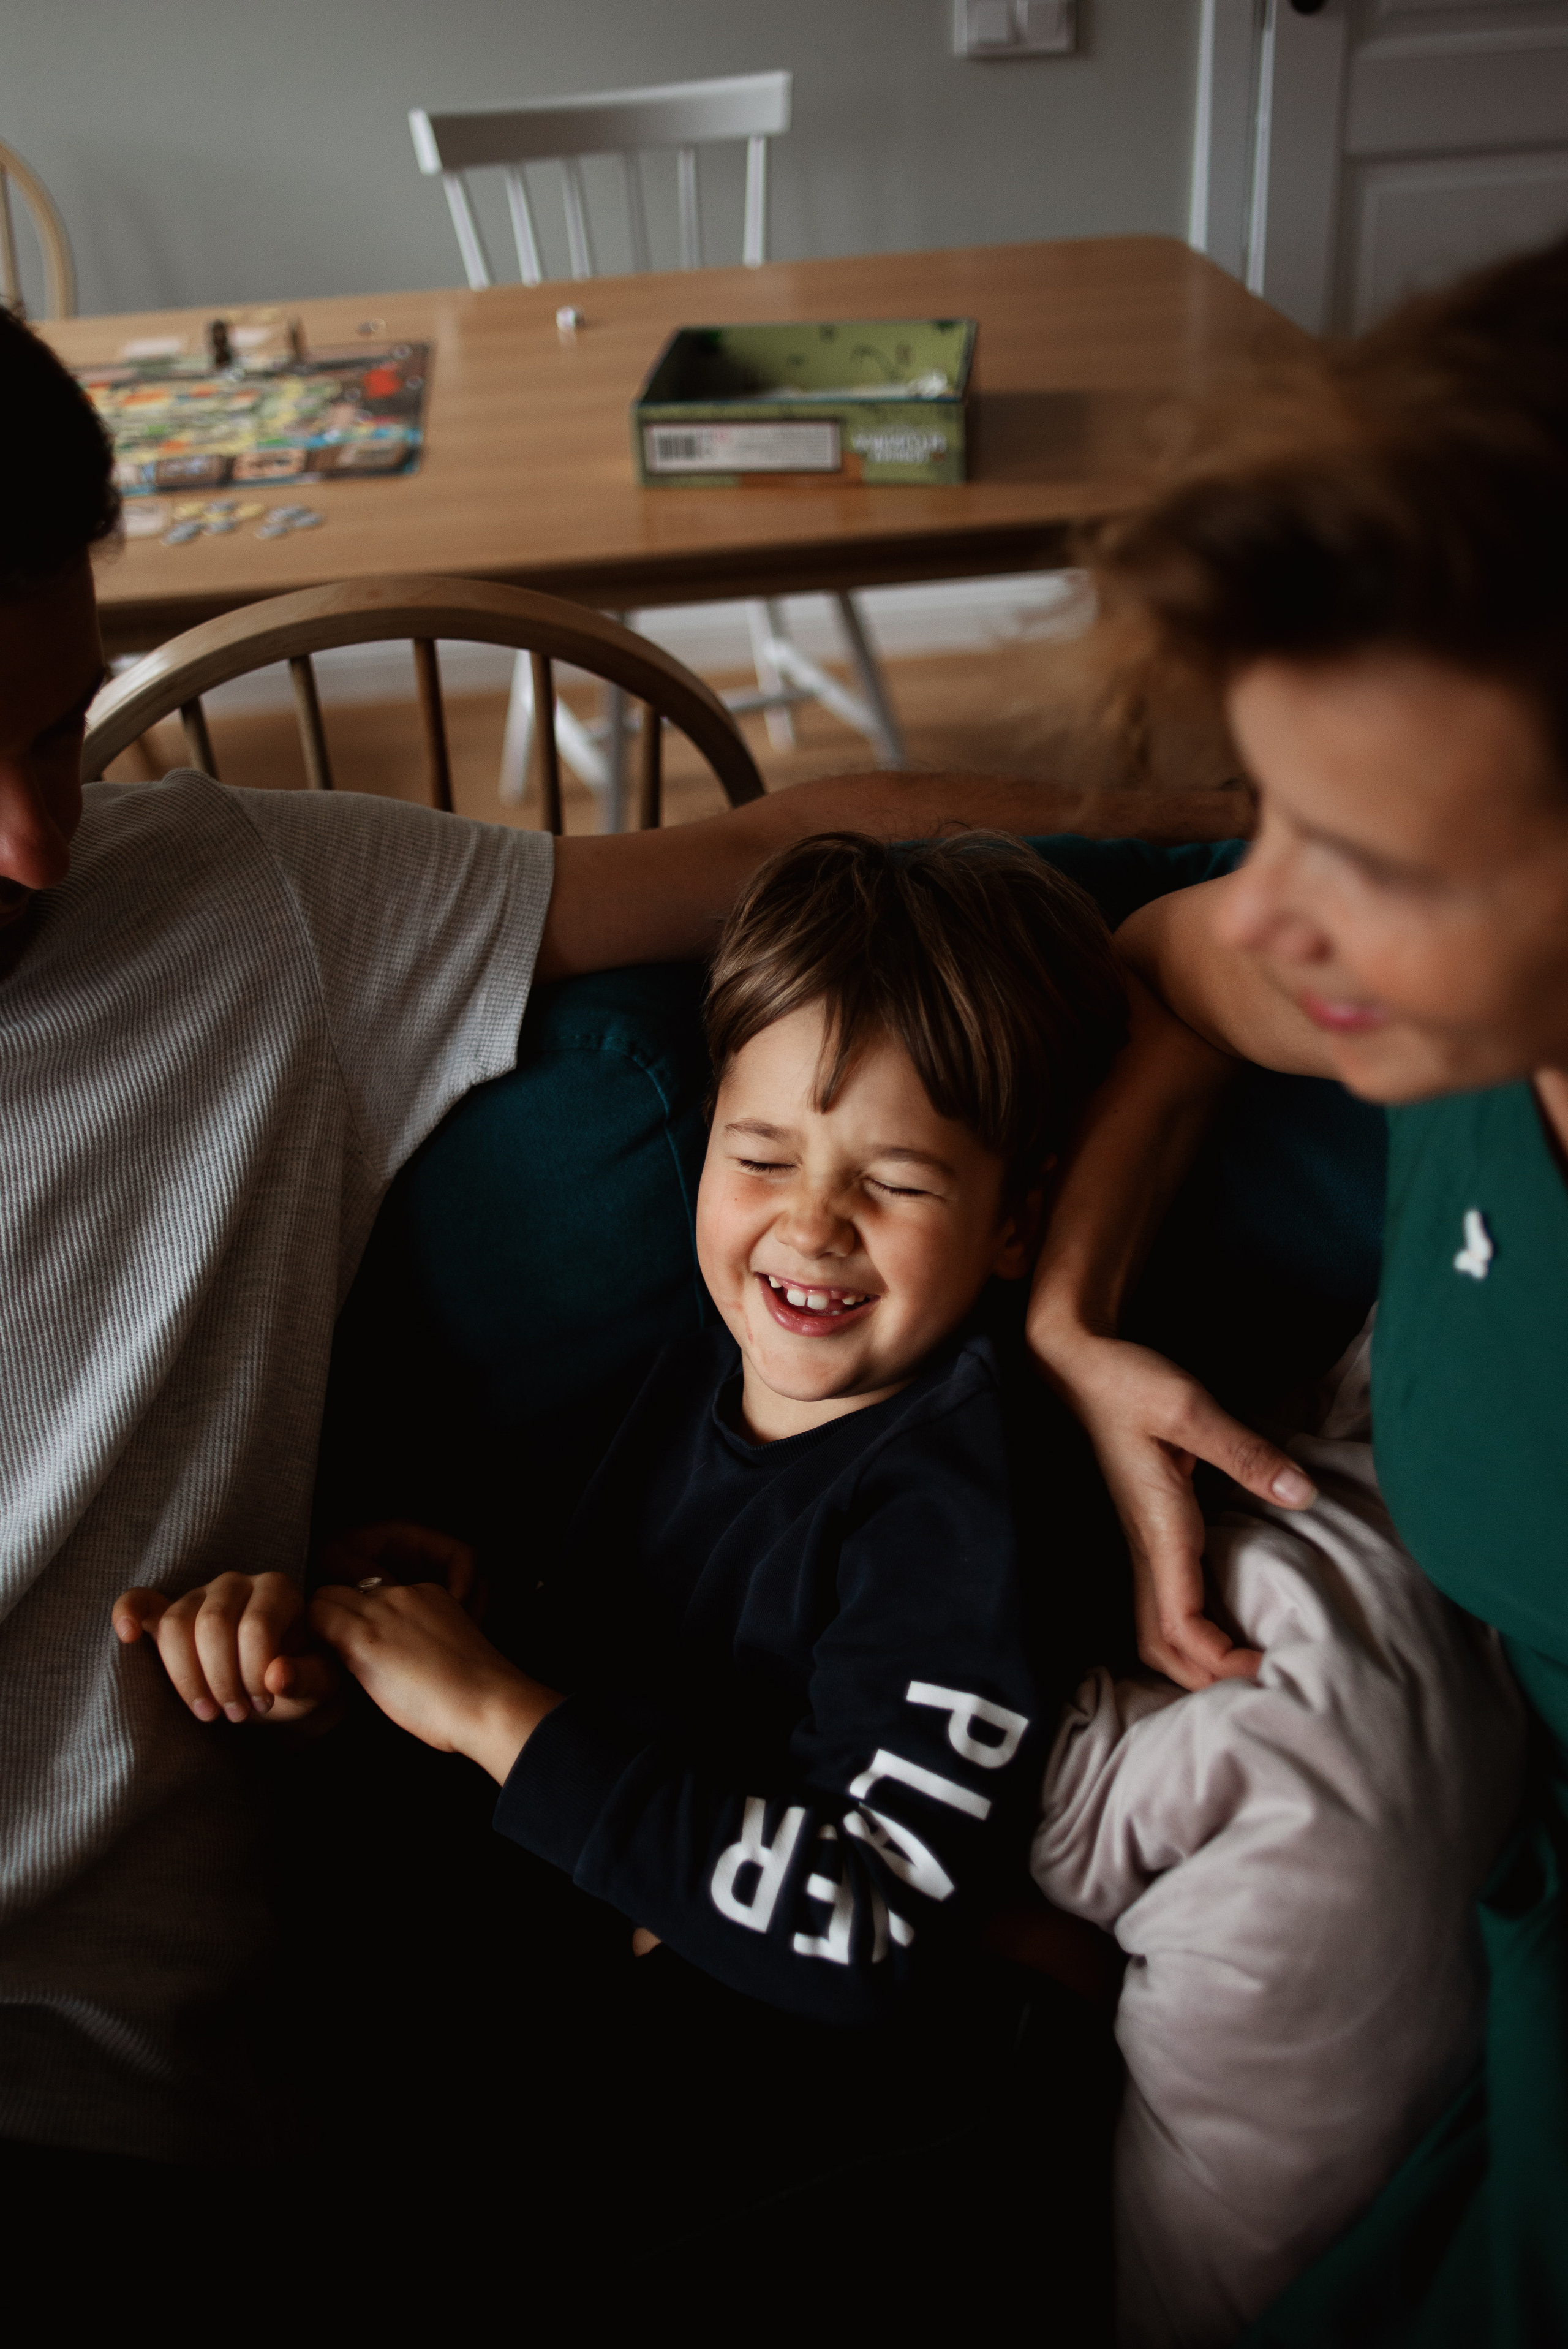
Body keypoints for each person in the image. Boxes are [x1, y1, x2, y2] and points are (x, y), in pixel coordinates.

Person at [0, 304, 1123, 2201]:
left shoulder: (234, 898)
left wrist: (1288, 876)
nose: (37, 845)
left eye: (57, 733)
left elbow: (804, 849)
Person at [121, 832, 1129, 2022]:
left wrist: (494, 1714)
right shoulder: (694, 1378)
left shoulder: (955, 1509)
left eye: (895, 1182)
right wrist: (402, 1651)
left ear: (1014, 1223)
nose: (811, 1225)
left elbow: (869, 1923)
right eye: (760, 1156)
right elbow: (645, 1695)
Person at [1027, 233, 1568, 2343]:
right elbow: (1168, 972)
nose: (1269, 907)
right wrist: (1075, 1325)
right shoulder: (1424, 1023)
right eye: (1268, 808)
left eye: (1373, 858)